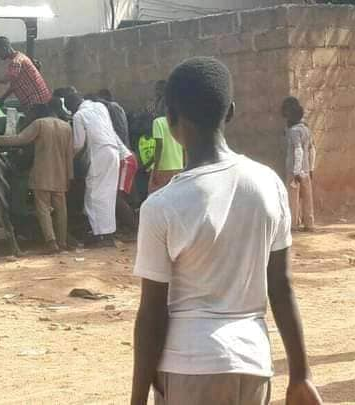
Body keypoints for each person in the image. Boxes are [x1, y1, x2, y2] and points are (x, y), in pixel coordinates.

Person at [131, 57, 322, 405]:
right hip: (252, 363)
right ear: (230, 111)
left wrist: (137, 398)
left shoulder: (162, 206)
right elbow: (281, 286)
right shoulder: (269, 184)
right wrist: (300, 374)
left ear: (170, 119)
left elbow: (152, 313)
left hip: (188, 366)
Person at [0, 99, 73, 253]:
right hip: (61, 174)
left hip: (42, 174)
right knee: (61, 209)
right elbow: (69, 155)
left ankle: (51, 242)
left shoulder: (40, 124)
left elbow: (19, 139)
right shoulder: (66, 127)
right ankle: (62, 242)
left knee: (43, 208)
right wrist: (69, 176)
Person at [66, 91, 131, 247]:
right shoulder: (100, 106)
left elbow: (78, 144)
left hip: (99, 154)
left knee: (93, 196)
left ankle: (99, 236)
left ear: (72, 106)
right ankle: (108, 233)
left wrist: (69, 157)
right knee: (107, 195)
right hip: (113, 152)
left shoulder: (79, 116)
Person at [0, 36, 51, 123]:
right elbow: (14, 85)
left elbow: (4, 80)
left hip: (36, 104)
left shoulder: (16, 62)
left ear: (4, 48)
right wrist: (2, 99)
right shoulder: (22, 56)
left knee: (28, 130)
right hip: (41, 101)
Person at [282, 96, 316, 232]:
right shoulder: (306, 129)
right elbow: (312, 149)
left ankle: (294, 225)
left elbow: (298, 150)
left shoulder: (294, 131)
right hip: (306, 170)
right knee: (308, 197)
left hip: (294, 171)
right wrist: (311, 168)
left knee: (293, 198)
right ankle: (309, 223)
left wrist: (296, 172)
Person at [149, 115, 184, 192]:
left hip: (163, 168)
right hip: (178, 166)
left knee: (154, 195)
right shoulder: (179, 122)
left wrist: (155, 169)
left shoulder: (157, 122)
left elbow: (159, 145)